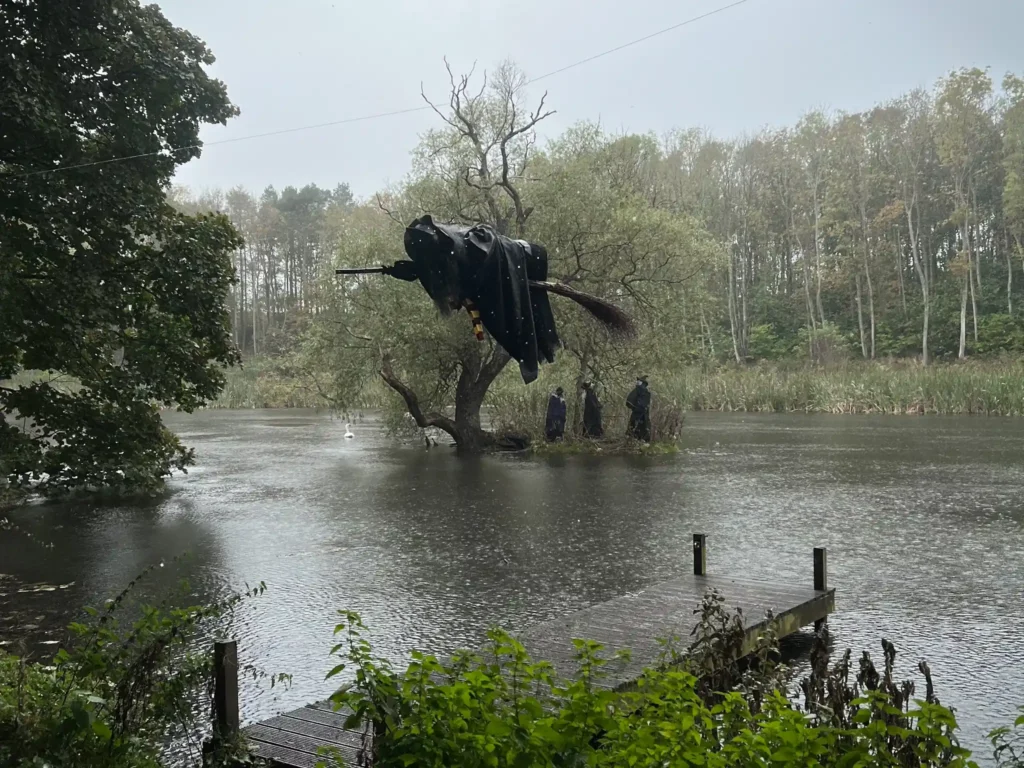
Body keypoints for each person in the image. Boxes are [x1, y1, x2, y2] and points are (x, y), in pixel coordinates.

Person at [625, 376, 652, 442]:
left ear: (642, 383)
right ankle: (638, 439)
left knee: (638, 424)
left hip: (640, 411)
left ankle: (635, 439)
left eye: (639, 381)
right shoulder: (640, 390)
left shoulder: (641, 390)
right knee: (638, 425)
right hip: (640, 411)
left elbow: (631, 401)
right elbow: (631, 400)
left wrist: (636, 407)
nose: (637, 382)